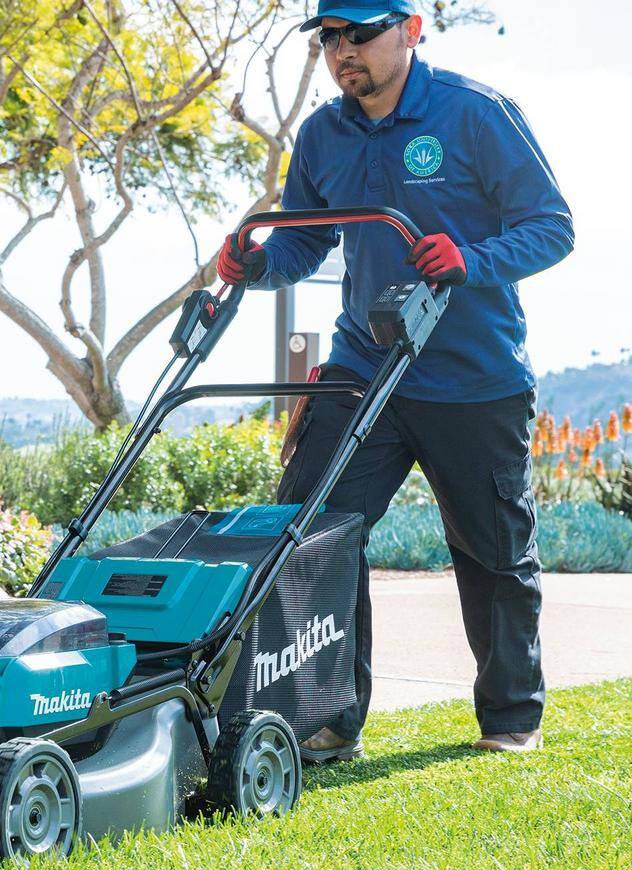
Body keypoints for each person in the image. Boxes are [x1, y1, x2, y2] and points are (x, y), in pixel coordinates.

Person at [217, 0, 574, 761]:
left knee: (493, 551)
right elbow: (304, 244)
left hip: (473, 375)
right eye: (329, 38)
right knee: (311, 533)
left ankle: (510, 719)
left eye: (360, 33)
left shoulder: (476, 113)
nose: (342, 50)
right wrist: (258, 263)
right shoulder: (322, 135)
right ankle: (328, 717)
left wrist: (471, 260)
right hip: (364, 366)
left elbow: (552, 226)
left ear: (411, 29)